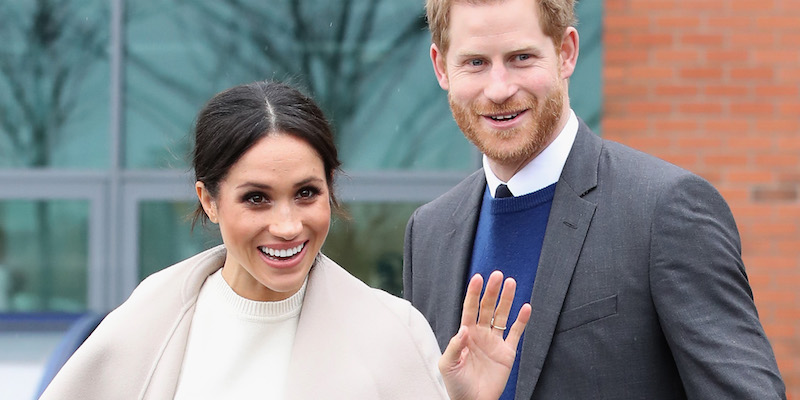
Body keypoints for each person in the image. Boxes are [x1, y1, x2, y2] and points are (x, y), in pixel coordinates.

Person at [39, 80, 532, 400]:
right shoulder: (144, 325)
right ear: (208, 200)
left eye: (305, 193)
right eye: (256, 198)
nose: (288, 225)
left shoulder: (394, 335)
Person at [402, 0, 786, 399]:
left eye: (521, 57)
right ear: (442, 67)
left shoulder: (663, 210)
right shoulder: (428, 235)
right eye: (476, 63)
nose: (499, 89)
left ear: (566, 53)